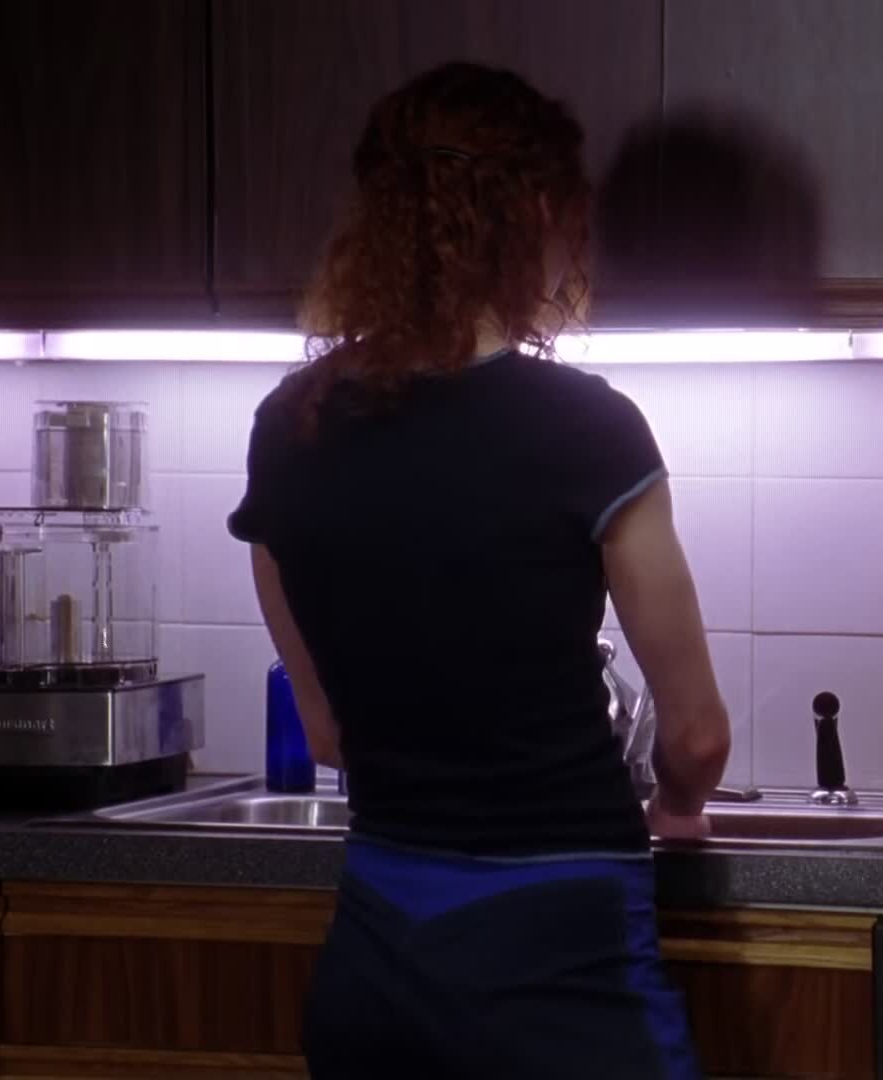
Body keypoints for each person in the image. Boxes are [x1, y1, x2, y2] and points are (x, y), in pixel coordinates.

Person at [227, 62, 731, 1080]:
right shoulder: (588, 429)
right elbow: (695, 734)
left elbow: (328, 735)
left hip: (374, 964)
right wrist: (678, 805)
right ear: (537, 215)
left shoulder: (290, 427)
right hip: (558, 968)